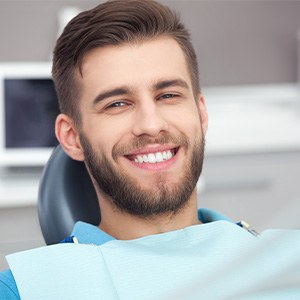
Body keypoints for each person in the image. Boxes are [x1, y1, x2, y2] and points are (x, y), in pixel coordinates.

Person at [1, 0, 300, 299]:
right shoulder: (23, 290)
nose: (151, 124)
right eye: (117, 103)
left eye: (168, 95)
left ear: (201, 114)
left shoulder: (288, 260)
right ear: (72, 137)